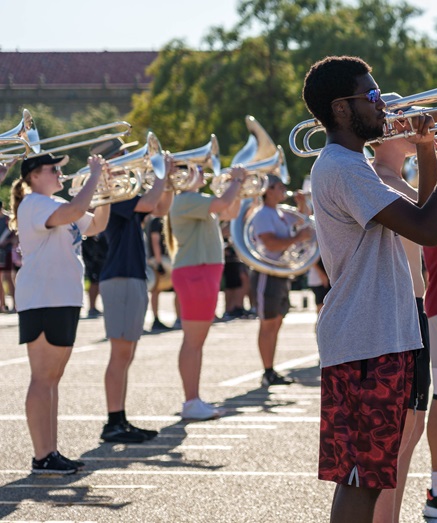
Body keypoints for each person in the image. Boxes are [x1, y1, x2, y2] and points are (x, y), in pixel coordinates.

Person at [301, 55, 437, 522]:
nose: (383, 106)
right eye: (373, 97)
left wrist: (425, 150)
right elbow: (428, 228)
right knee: (363, 479)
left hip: (378, 335)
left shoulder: (348, 164)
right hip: (366, 338)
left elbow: (425, 214)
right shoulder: (344, 167)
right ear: (342, 109)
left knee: (367, 476)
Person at [13, 153, 110, 474]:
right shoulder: (34, 204)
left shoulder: (52, 202)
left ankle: (50, 452)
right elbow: (74, 210)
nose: (60, 173)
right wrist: (95, 176)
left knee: (52, 379)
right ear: (34, 175)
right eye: (54, 169)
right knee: (42, 378)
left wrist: (108, 192)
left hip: (63, 297)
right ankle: (42, 455)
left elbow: (95, 225)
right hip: (43, 297)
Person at [94, 137, 172, 444]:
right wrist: (161, 174)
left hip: (132, 275)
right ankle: (113, 421)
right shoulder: (111, 192)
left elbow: (161, 207)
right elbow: (151, 202)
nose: (131, 159)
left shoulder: (126, 192)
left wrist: (167, 180)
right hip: (121, 277)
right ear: (110, 161)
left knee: (127, 354)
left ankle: (120, 419)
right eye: (125, 155)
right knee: (120, 354)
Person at [166, 163, 245, 420]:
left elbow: (230, 212)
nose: (204, 172)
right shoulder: (187, 199)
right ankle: (191, 401)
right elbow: (223, 203)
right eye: (197, 169)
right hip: (196, 273)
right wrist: (234, 181)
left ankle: (194, 399)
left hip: (201, 272)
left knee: (195, 341)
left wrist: (239, 185)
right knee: (193, 341)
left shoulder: (195, 201)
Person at [249, 174, 313, 387]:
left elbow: (305, 221)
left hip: (281, 273)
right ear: (268, 190)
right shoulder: (263, 215)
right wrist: (296, 239)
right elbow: (270, 243)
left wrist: (302, 205)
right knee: (268, 324)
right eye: (279, 186)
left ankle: (271, 369)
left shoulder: (279, 213)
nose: (284, 189)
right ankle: (267, 371)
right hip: (268, 273)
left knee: (276, 322)